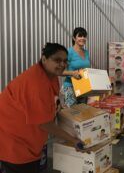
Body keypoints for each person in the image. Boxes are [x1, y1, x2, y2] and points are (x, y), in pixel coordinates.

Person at [0, 43, 86, 173]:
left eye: (65, 61)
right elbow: (44, 123)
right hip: (15, 142)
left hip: (29, 138)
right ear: (44, 59)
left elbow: (51, 104)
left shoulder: (50, 75)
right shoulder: (36, 84)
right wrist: (73, 140)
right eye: (57, 60)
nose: (62, 64)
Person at [62, 27, 91, 107]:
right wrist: (72, 73)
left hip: (83, 87)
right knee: (72, 114)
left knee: (82, 113)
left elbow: (87, 69)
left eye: (84, 36)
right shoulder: (69, 52)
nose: (83, 38)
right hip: (70, 87)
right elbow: (60, 71)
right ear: (74, 38)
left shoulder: (86, 52)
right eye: (80, 36)